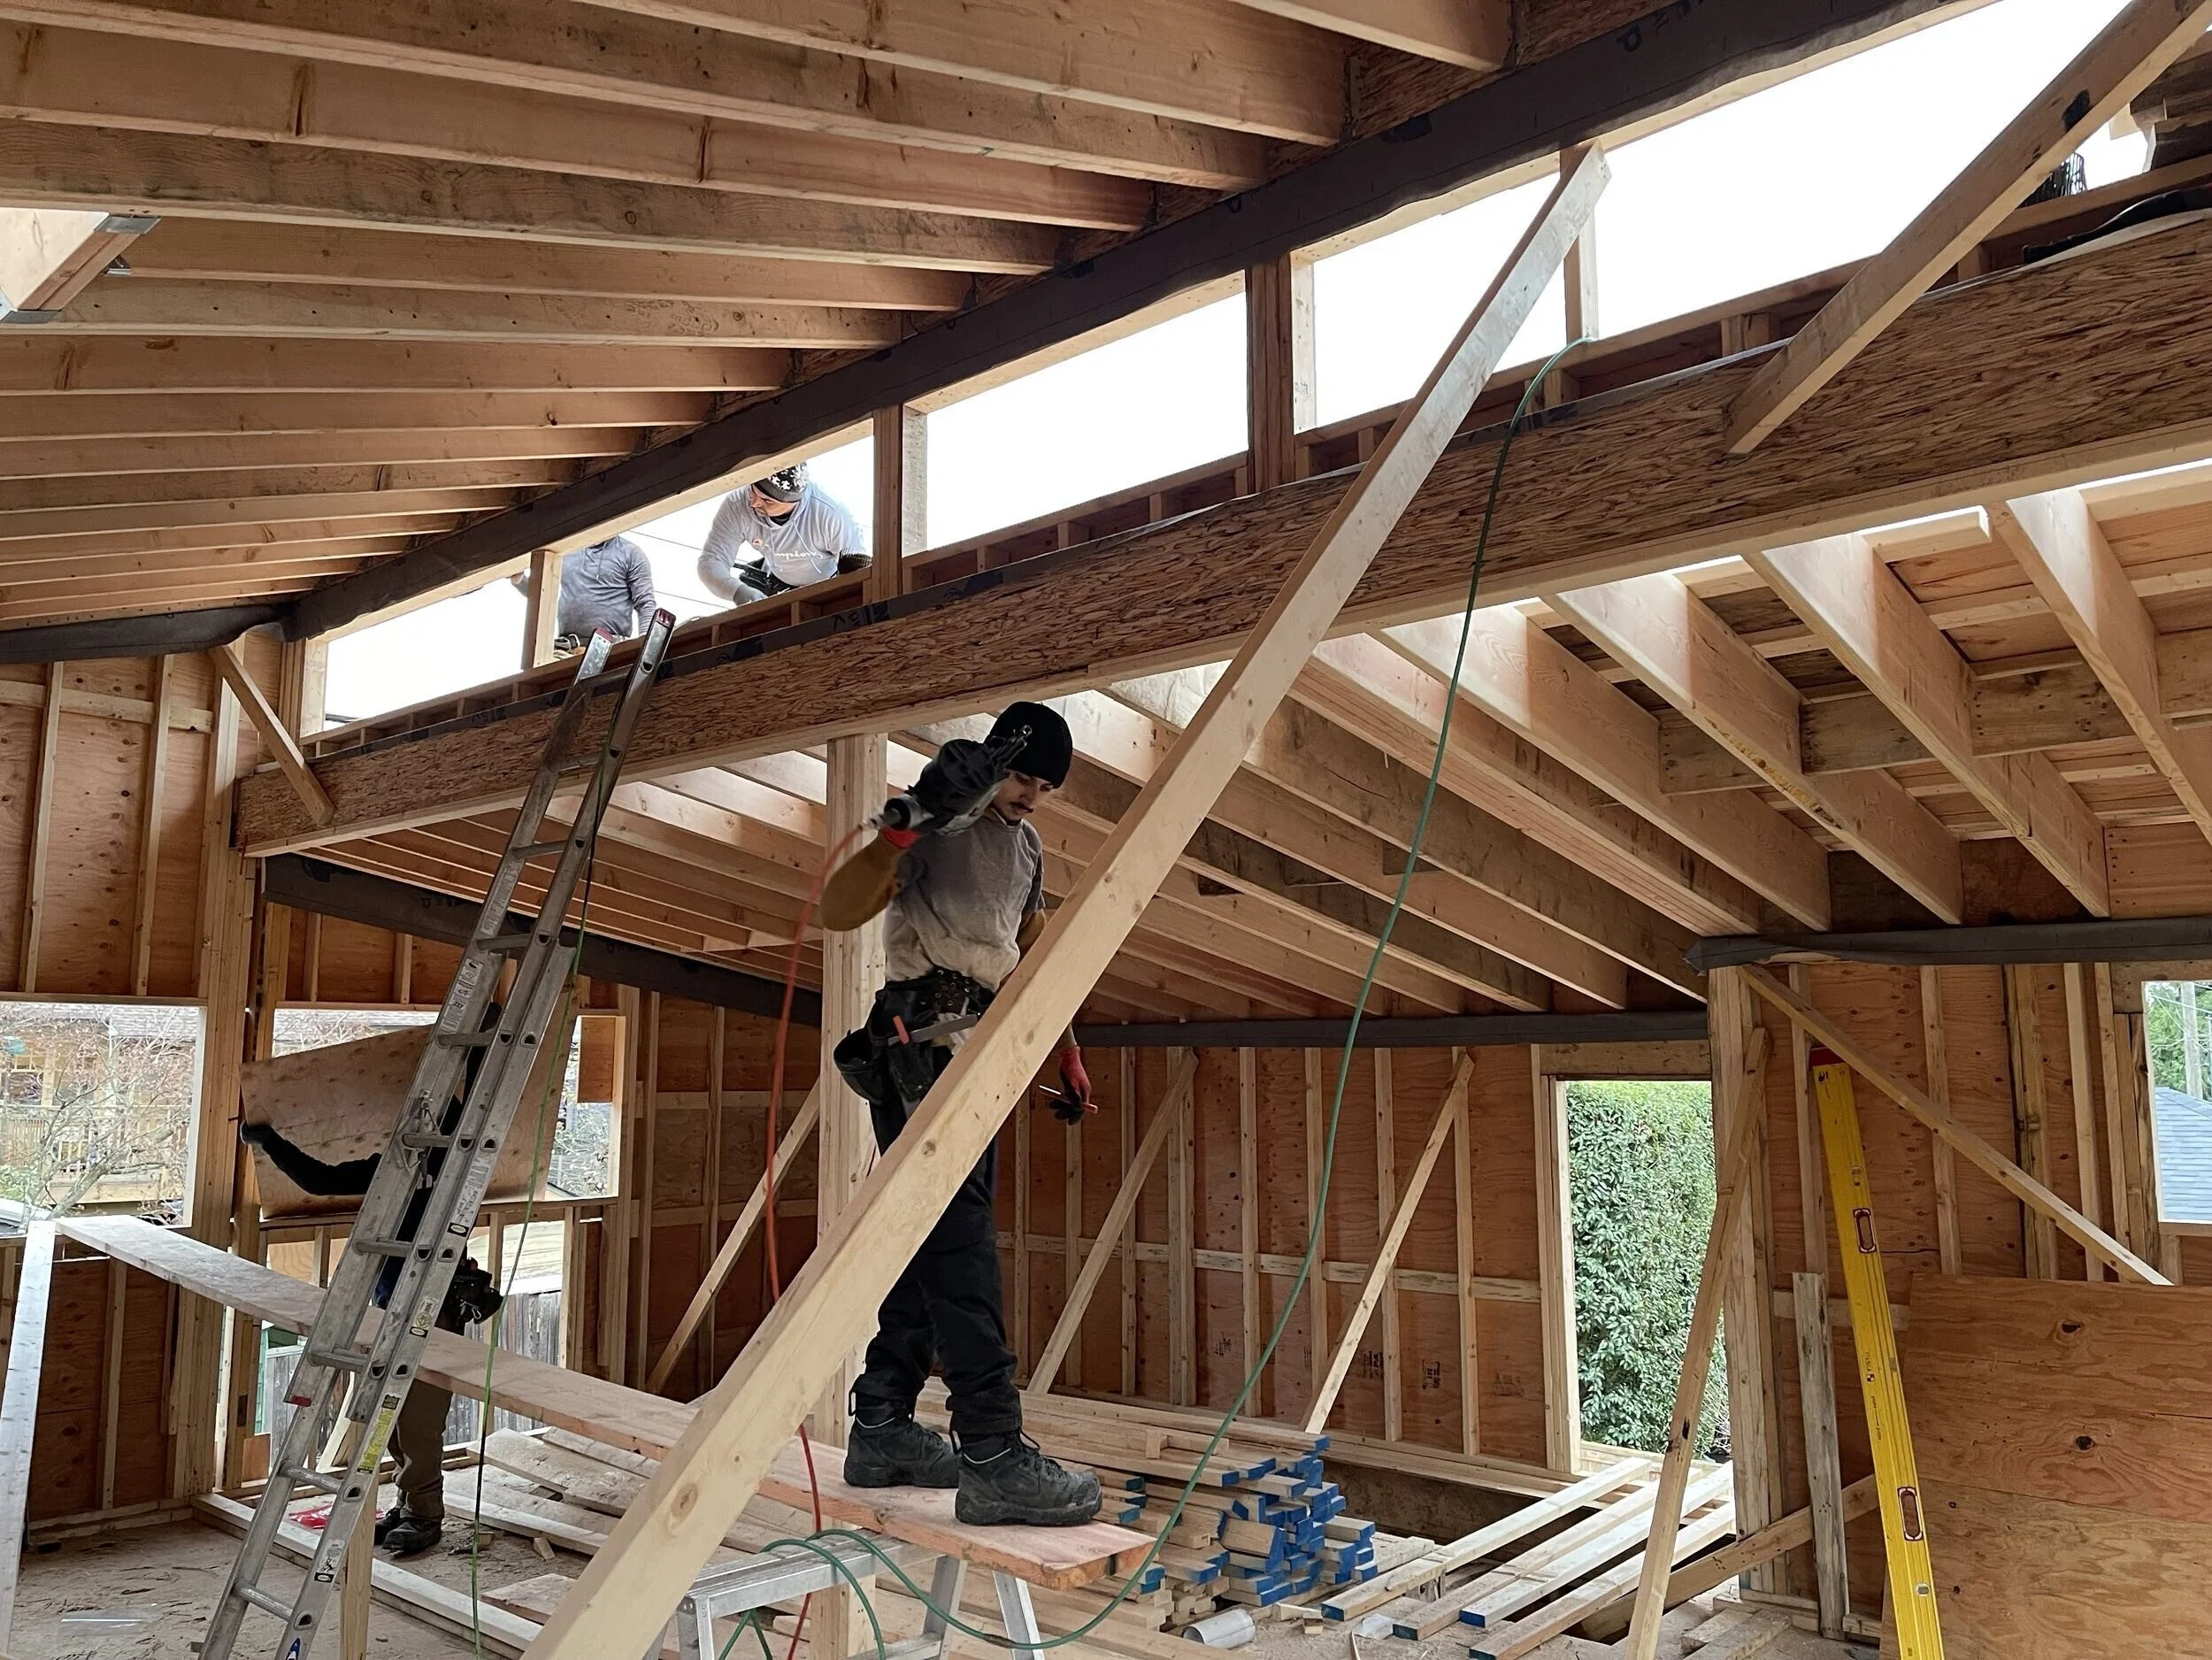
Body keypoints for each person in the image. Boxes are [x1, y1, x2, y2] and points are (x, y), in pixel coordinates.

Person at [819, 702, 1102, 1528]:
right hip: (920, 1051)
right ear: (993, 759)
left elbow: (1032, 948)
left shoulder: (1027, 843)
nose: (1032, 795)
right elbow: (842, 907)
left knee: (924, 1241)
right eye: (1023, 776)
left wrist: (1067, 1051)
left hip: (982, 1054)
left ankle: (882, 1425)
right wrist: (908, 827)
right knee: (959, 1248)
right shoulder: (936, 821)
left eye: (1046, 785)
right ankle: (990, 1449)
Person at [239, 1111, 503, 1559]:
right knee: (393, 1420)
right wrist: (270, 1141)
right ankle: (407, 1504)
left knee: (419, 1423)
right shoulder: (396, 1168)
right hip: (387, 1310)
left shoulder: (457, 1175)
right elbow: (320, 1181)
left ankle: (425, 1515)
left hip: (430, 1313)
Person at [697, 465, 869, 606]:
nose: (754, 503)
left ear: (792, 501)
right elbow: (712, 560)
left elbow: (857, 567)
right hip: (773, 580)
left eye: (767, 500)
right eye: (753, 491)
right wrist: (736, 591)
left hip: (827, 582)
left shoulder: (829, 513)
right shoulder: (738, 505)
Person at [517, 535, 657, 654]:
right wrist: (519, 580)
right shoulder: (566, 550)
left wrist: (645, 644)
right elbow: (543, 592)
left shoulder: (630, 553)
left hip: (610, 649)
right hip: (567, 649)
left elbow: (645, 604)